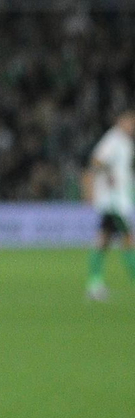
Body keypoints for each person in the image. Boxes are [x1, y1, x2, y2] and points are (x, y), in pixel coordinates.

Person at [83, 110, 135, 301]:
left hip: (118, 200)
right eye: (129, 122)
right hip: (114, 202)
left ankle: (94, 284)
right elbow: (96, 160)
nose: (132, 126)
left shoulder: (125, 142)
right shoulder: (113, 139)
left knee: (103, 240)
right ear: (120, 122)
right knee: (128, 239)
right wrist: (109, 173)